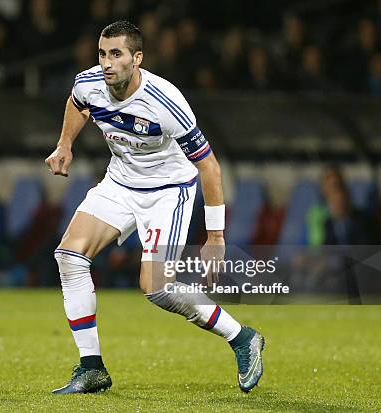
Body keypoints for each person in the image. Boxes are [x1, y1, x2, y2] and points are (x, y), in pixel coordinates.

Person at [44, 21, 265, 395]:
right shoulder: (88, 82)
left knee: (156, 288)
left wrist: (215, 235)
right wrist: (65, 143)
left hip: (168, 191)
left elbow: (209, 166)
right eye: (102, 53)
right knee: (69, 255)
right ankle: (91, 367)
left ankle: (242, 338)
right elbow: (78, 104)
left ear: (137, 58)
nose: (107, 63)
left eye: (116, 54)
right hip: (119, 182)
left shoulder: (165, 101)